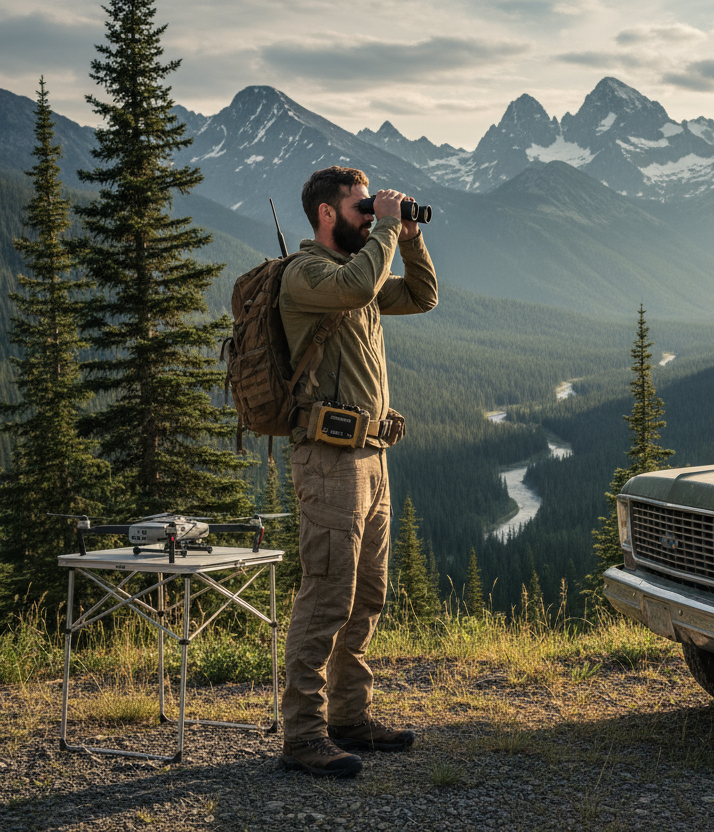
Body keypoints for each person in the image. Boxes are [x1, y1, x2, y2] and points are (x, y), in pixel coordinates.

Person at [278, 166, 438, 778]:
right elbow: (359, 285)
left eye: (373, 209)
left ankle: (349, 718)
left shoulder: (358, 274)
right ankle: (303, 735)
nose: (370, 217)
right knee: (327, 595)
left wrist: (411, 237)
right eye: (360, 207)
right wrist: (389, 228)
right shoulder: (309, 275)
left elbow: (421, 296)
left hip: (372, 456)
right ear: (326, 213)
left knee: (366, 595)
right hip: (327, 460)